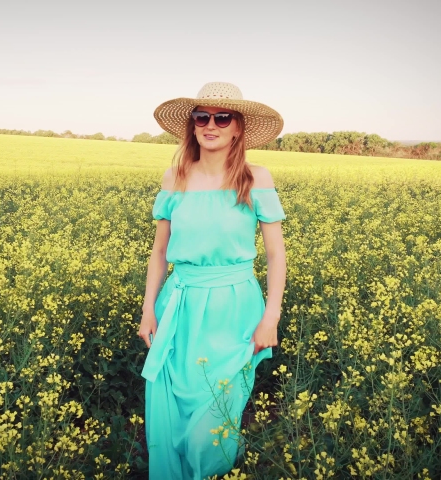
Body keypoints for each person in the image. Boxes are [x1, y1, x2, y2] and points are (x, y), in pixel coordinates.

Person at [138, 82, 287, 479]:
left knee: (210, 428)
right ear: (192, 125)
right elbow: (159, 252)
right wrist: (148, 310)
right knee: (172, 418)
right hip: (180, 308)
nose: (210, 125)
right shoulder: (174, 177)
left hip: (234, 310)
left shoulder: (256, 178)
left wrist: (271, 317)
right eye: (201, 117)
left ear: (237, 128)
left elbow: (276, 254)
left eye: (222, 118)